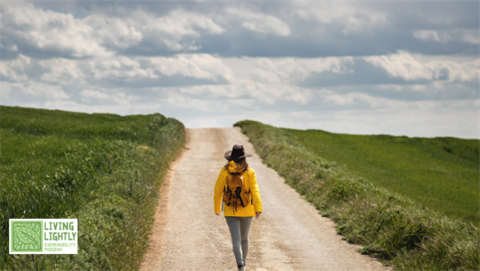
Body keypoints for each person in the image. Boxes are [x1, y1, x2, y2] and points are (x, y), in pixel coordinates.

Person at [214, 144, 262, 271]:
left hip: (230, 210)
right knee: (244, 239)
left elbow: (218, 190)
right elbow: (255, 190)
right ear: (244, 158)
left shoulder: (225, 171)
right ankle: (244, 265)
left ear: (230, 159)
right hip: (247, 210)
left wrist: (217, 207)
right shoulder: (250, 171)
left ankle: (240, 265)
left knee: (235, 239)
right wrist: (258, 207)